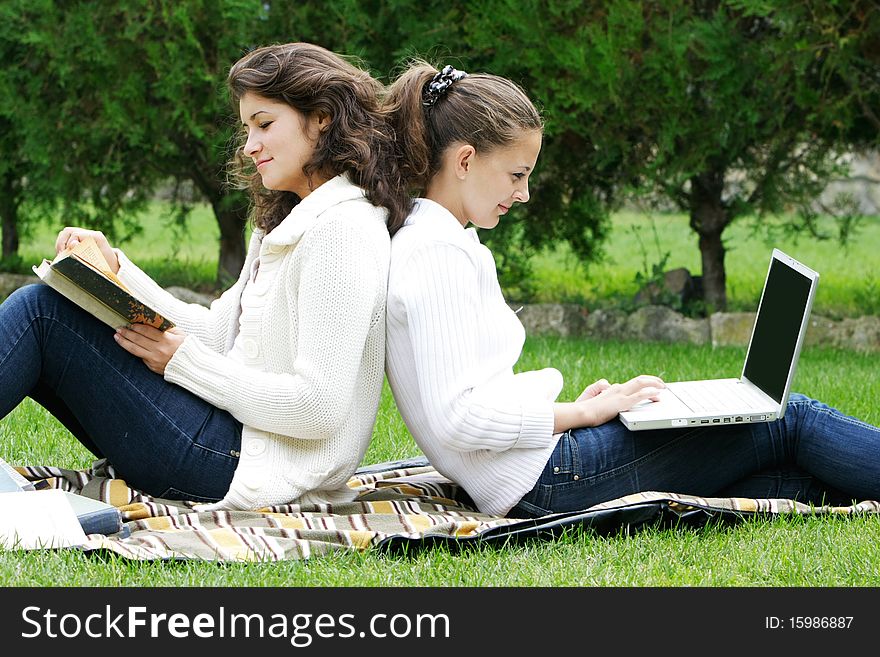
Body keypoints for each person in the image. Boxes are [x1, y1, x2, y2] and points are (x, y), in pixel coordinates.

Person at [383, 61, 880, 519]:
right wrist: (579, 414)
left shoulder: (441, 241)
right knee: (792, 418)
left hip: (535, 472)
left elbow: (474, 391)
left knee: (776, 472)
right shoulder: (435, 254)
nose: (524, 193)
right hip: (547, 480)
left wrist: (575, 412)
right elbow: (458, 419)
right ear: (465, 160)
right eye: (518, 174)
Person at [0, 42, 410, 511]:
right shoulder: (291, 221)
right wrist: (116, 271)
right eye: (246, 128)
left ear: (322, 118)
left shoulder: (342, 231)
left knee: (41, 315)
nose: (250, 144)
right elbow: (219, 333)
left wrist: (183, 363)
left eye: (265, 124)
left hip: (243, 462)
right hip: (225, 439)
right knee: (54, 307)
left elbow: (317, 408)